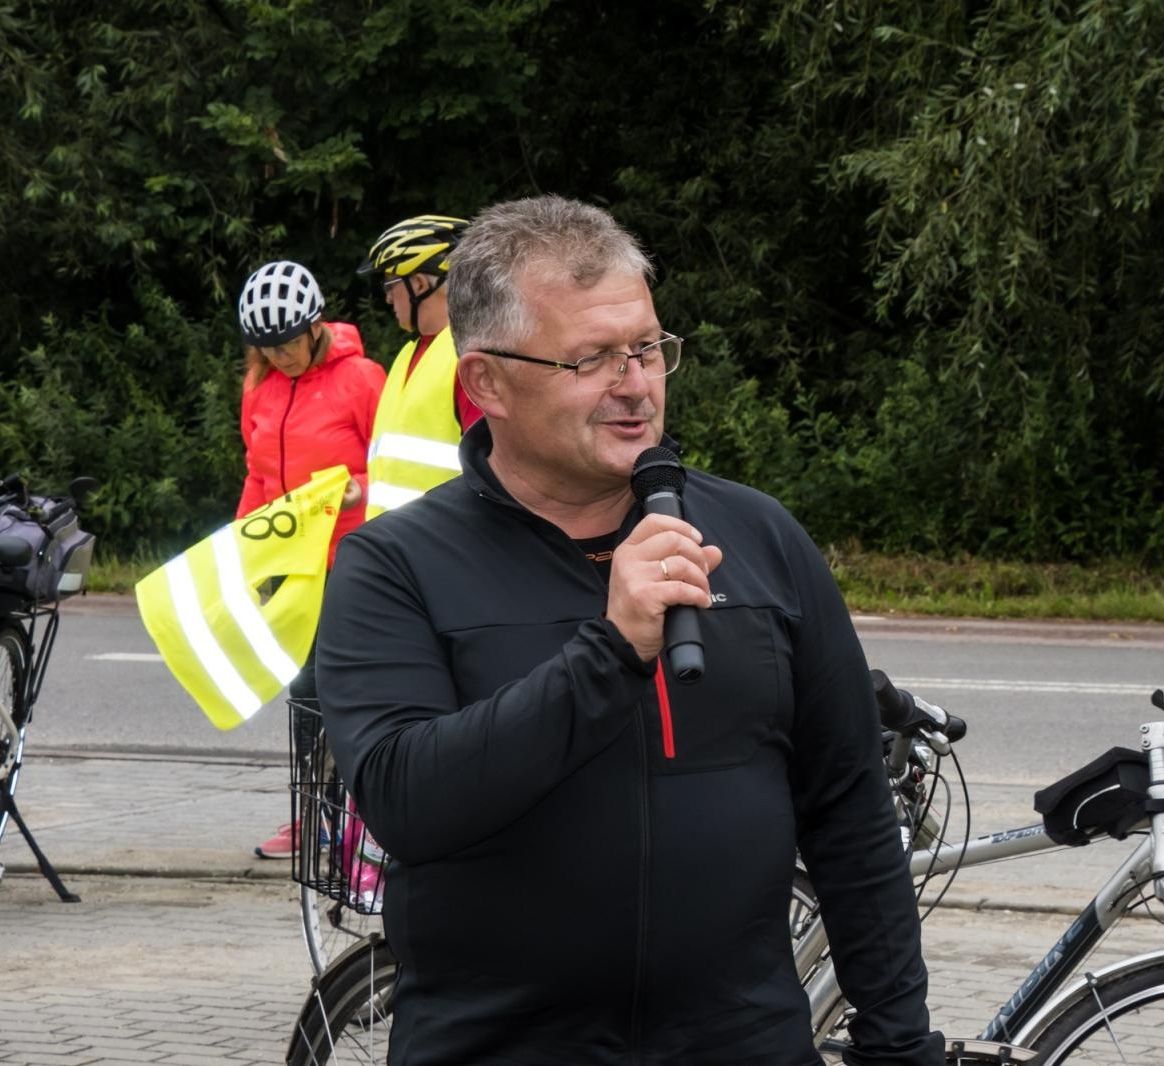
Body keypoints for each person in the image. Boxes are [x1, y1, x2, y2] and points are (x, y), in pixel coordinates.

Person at [316, 196, 942, 1064]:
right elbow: (408, 800)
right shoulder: (395, 567)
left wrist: (899, 1040)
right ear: (486, 381)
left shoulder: (760, 539)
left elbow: (849, 810)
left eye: (646, 348)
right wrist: (609, 653)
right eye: (591, 359)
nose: (636, 384)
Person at [235, 259, 385, 859]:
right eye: (266, 348)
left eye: (288, 343)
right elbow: (258, 477)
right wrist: (246, 551)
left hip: (352, 561)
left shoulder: (363, 379)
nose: (280, 357)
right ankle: (311, 816)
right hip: (291, 568)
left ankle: (359, 812)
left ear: (315, 326)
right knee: (303, 691)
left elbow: (396, 462)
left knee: (340, 686)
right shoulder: (260, 389)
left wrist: (361, 487)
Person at [356, 214, 483, 518]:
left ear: (419, 283)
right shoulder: (408, 354)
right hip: (396, 548)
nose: (388, 297)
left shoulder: (469, 354)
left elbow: (493, 472)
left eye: (390, 283)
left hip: (444, 548)